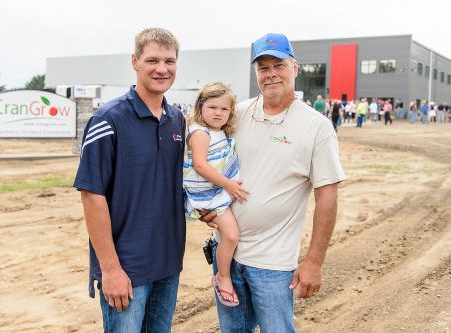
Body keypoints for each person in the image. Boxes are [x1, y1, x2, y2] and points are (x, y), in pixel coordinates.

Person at [200, 33, 346, 332]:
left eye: (278, 65)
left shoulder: (316, 127)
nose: (271, 74)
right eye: (263, 67)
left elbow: (327, 197)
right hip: (226, 255)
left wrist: (314, 262)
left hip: (273, 264)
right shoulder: (234, 115)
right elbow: (208, 163)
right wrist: (207, 207)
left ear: (295, 68)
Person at [73, 27, 186, 332]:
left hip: (168, 262)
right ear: (135, 62)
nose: (162, 69)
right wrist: (110, 269)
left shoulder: (177, 119)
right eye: (152, 60)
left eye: (169, 61)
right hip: (126, 268)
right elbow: (91, 195)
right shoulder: (107, 119)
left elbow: (174, 184)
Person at [183, 82, 249, 307]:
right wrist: (228, 185)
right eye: (212, 107)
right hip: (210, 193)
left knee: (229, 235)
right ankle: (223, 276)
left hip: (218, 190)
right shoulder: (200, 133)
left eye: (224, 109)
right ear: (200, 106)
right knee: (231, 235)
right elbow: (200, 166)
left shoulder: (221, 132)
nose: (218, 113)